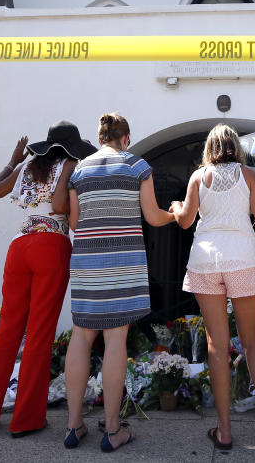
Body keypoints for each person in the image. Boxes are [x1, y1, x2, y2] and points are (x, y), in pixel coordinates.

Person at [0, 121, 96, 437]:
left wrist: (13, 159)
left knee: (7, 331)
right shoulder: (70, 164)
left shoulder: (28, 165)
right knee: (39, 333)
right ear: (71, 148)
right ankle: (25, 419)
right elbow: (57, 205)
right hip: (50, 244)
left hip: (20, 244)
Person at [63, 113, 175, 452]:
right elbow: (153, 216)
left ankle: (73, 426)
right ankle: (113, 429)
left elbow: (73, 221)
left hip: (86, 262)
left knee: (81, 336)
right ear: (125, 138)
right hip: (122, 264)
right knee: (115, 340)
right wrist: (176, 212)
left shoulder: (79, 170)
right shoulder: (136, 166)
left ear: (100, 139)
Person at [169, 124, 255, 454]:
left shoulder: (198, 177)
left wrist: (176, 207)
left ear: (209, 148)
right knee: (252, 343)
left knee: (217, 346)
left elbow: (186, 221)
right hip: (243, 258)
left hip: (206, 260)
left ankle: (224, 431)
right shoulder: (249, 175)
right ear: (235, 146)